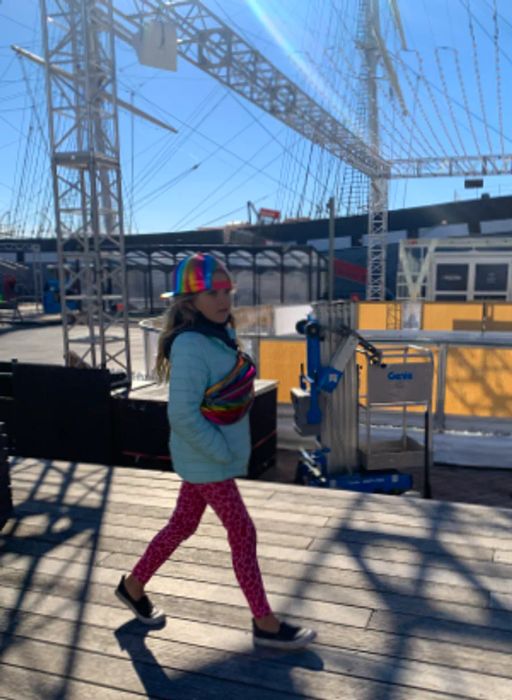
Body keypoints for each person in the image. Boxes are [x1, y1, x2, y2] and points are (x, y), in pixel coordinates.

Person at [116, 252, 316, 650]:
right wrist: (221, 454)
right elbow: (183, 415)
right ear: (189, 301)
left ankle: (133, 586)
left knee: (182, 525)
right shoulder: (193, 344)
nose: (224, 300)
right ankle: (265, 623)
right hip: (207, 459)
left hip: (204, 457)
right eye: (212, 293)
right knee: (242, 531)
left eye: (227, 291)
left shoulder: (215, 334)